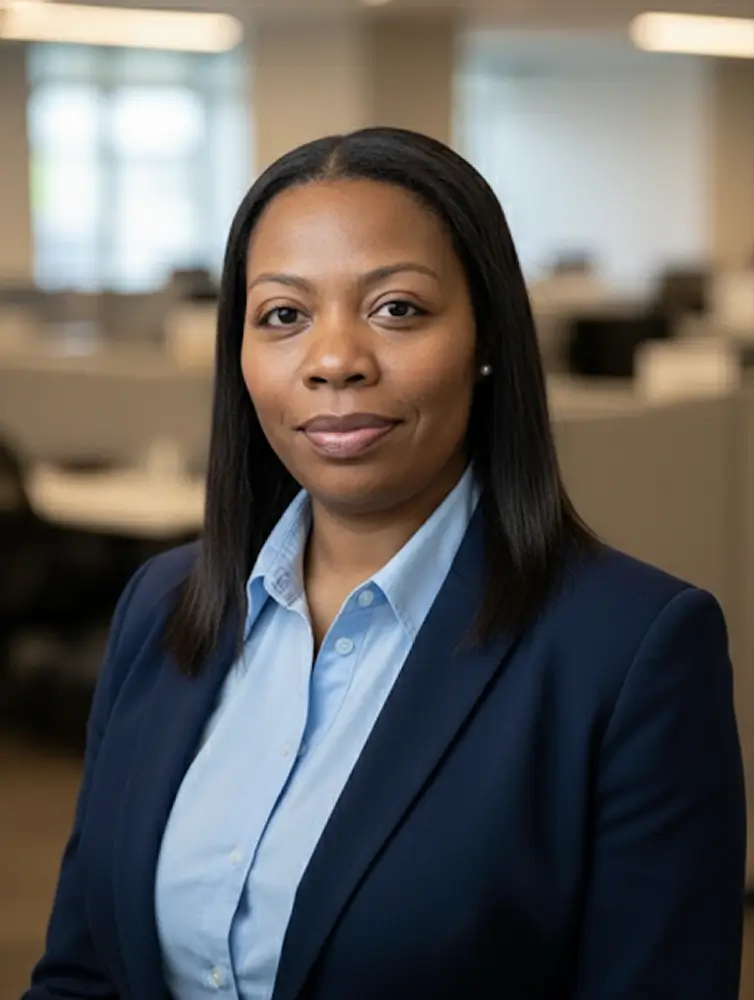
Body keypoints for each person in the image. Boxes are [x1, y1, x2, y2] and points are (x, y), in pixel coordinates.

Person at [24, 128, 745, 1000]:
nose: (334, 362)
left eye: (396, 308)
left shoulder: (630, 653)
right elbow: (84, 974)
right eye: (284, 316)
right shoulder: (163, 605)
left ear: (486, 338)